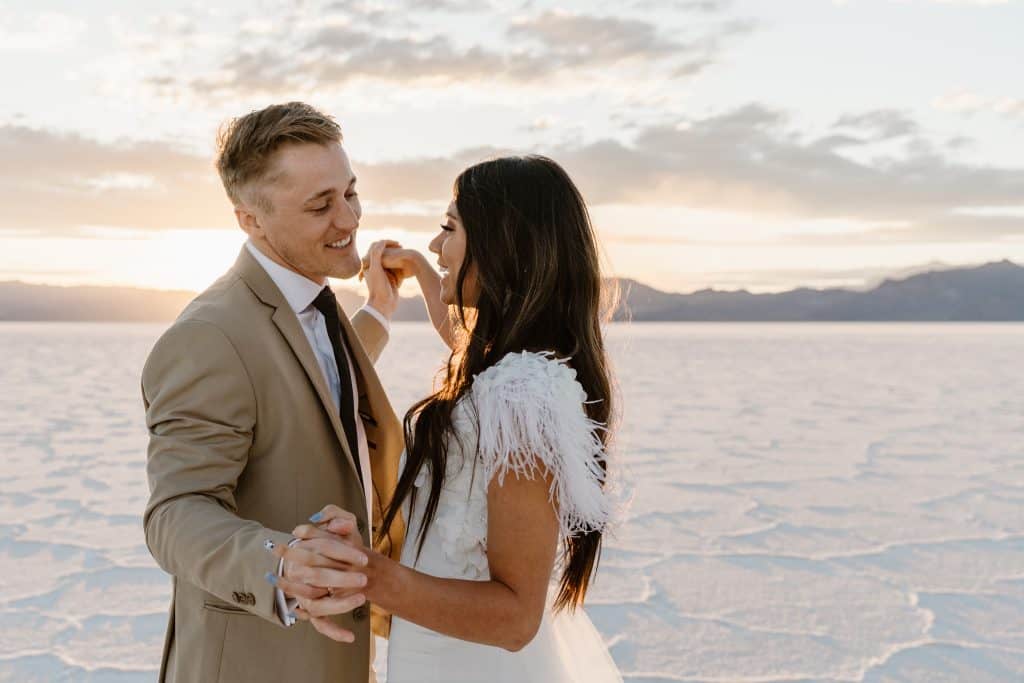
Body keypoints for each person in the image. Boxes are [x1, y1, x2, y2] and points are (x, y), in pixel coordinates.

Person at [275, 155, 624, 682]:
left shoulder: (521, 400)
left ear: (502, 243)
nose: (438, 246)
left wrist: (366, 574)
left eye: (449, 228)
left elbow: (514, 618)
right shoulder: (516, 373)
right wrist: (418, 274)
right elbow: (478, 366)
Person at [141, 101, 405, 683]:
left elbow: (310, 376)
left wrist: (379, 311)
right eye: (320, 206)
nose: (349, 220)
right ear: (249, 220)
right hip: (257, 662)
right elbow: (176, 511)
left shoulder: (309, 296)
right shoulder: (208, 336)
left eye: (350, 193)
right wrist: (281, 563)